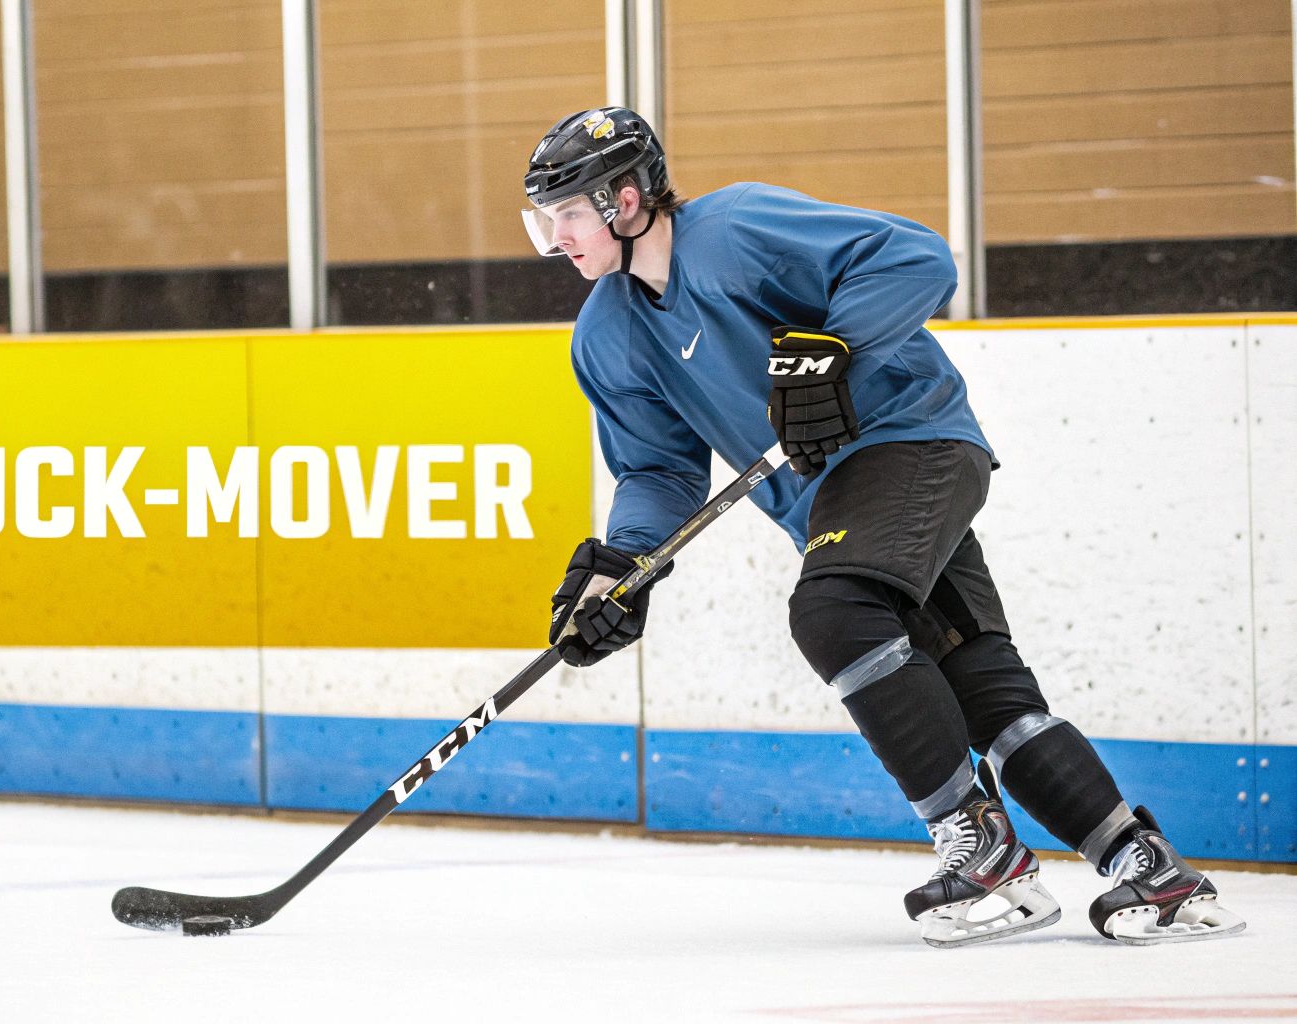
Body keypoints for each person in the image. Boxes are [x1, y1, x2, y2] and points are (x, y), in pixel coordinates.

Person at [529, 107, 1246, 948]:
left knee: (833, 612)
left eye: (568, 212)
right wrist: (625, 564)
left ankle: (983, 849)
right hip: (836, 505)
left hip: (912, 440)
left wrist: (830, 344)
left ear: (624, 198)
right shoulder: (606, 335)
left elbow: (915, 258)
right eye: (544, 218)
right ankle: (1150, 870)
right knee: (984, 691)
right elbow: (658, 470)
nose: (556, 236)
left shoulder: (733, 230)